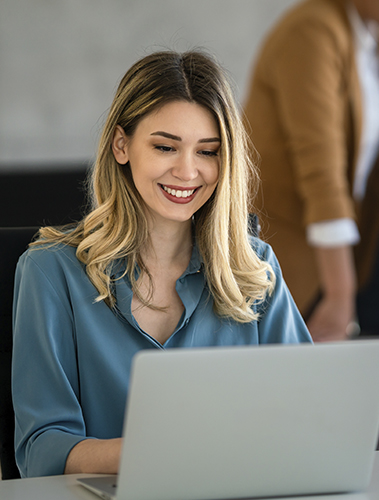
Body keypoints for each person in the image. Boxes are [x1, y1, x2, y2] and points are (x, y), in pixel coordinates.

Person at [11, 50, 312, 478]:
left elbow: (309, 417)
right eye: (166, 147)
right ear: (122, 146)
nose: (188, 172)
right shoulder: (49, 272)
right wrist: (166, 451)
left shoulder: (254, 266)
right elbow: (42, 450)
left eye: (207, 152)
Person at [244, 0, 379, 342]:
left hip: (329, 258)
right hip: (282, 258)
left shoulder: (372, 34)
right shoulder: (311, 31)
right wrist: (341, 292)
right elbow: (321, 171)